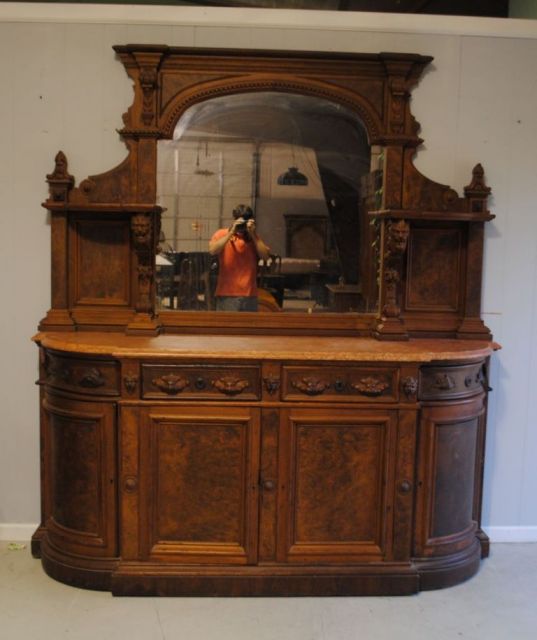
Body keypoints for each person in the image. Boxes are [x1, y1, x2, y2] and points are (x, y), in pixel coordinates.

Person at [208, 204, 270, 311]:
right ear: (234, 220)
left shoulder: (253, 238)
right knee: (227, 327)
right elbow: (213, 250)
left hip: (249, 294)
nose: (242, 227)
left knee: (248, 327)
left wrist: (253, 234)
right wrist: (231, 232)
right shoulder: (222, 234)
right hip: (227, 293)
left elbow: (265, 256)